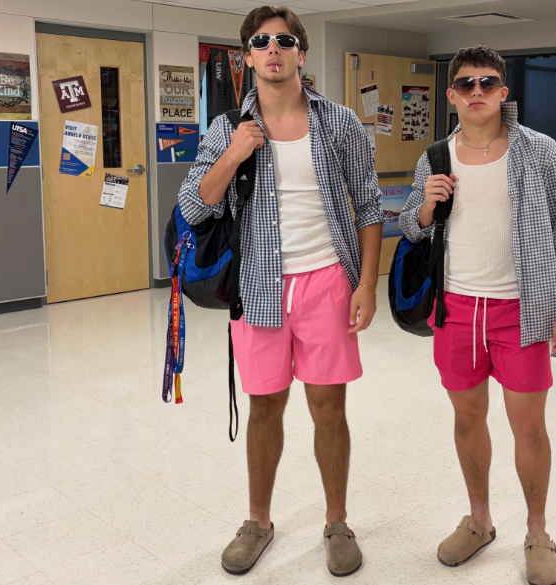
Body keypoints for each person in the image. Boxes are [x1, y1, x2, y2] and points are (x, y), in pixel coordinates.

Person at [178, 5, 382, 577]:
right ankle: (259, 521)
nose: (274, 50)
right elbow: (195, 205)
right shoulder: (225, 128)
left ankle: (337, 520)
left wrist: (366, 283)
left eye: (285, 41)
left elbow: (367, 206)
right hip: (258, 286)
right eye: (262, 42)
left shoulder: (338, 122)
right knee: (265, 406)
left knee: (329, 410)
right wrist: (236, 152)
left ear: (300, 52)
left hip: (327, 283)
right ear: (246, 56)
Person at [399, 45, 556, 585]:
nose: (476, 92)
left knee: (528, 427)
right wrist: (428, 205)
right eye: (465, 84)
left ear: (504, 93)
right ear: (452, 94)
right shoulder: (435, 157)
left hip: (521, 309)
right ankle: (480, 521)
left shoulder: (539, 151)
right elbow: (413, 227)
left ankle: (536, 530)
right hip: (455, 308)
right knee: (466, 418)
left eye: (486, 83)